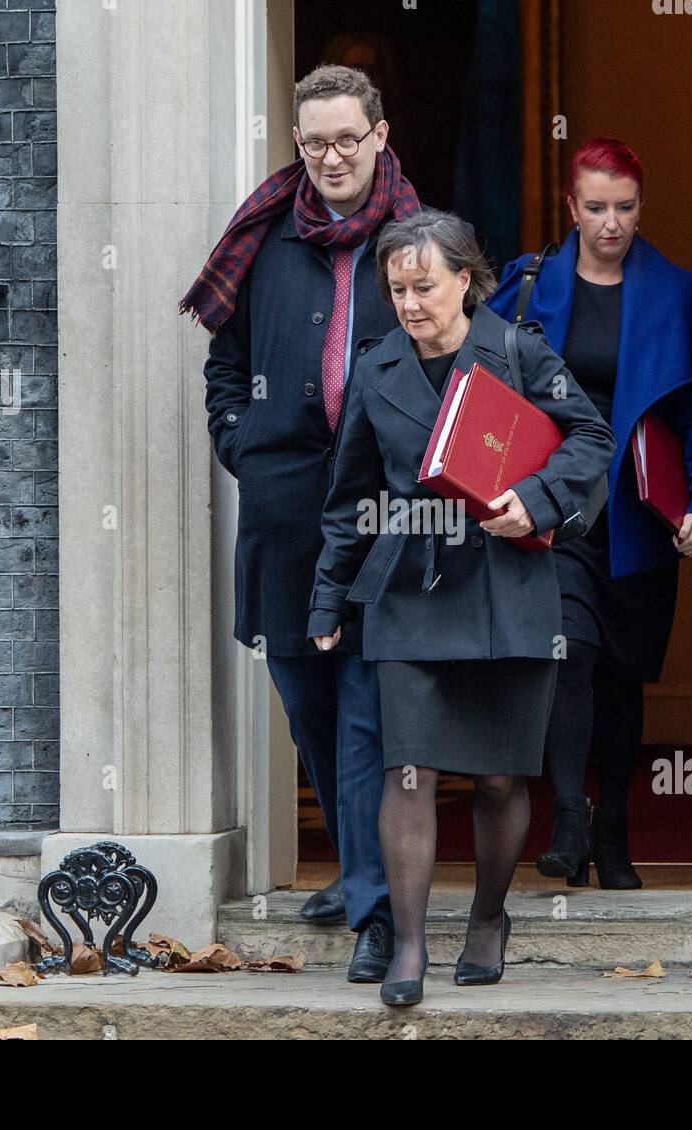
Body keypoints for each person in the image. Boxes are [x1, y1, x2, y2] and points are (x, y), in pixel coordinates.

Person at [308, 209, 615, 1005]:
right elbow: (350, 501)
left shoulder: (519, 350)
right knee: (406, 768)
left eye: (425, 286)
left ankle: (487, 918)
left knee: (500, 781)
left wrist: (538, 500)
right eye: (397, 288)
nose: (410, 303)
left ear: (467, 281)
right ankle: (410, 947)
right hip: (413, 589)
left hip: (511, 586)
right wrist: (328, 600)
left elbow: (591, 437)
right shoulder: (377, 371)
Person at [181, 65, 420, 982]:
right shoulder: (264, 240)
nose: (329, 157)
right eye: (313, 141)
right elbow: (224, 367)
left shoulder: (415, 240)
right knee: (308, 705)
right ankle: (363, 869)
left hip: (382, 516)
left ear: (380, 136)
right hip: (284, 514)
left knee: (364, 708)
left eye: (346, 140)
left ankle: (373, 911)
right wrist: (242, 444)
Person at [487, 137, 692, 890]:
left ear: (640, 206)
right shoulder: (528, 286)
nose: (611, 222)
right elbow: (478, 386)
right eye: (596, 207)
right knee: (570, 653)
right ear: (571, 206)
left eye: (624, 207)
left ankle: (614, 837)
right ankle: (569, 818)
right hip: (556, 508)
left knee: (623, 678)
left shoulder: (679, 292)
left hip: (640, 511)